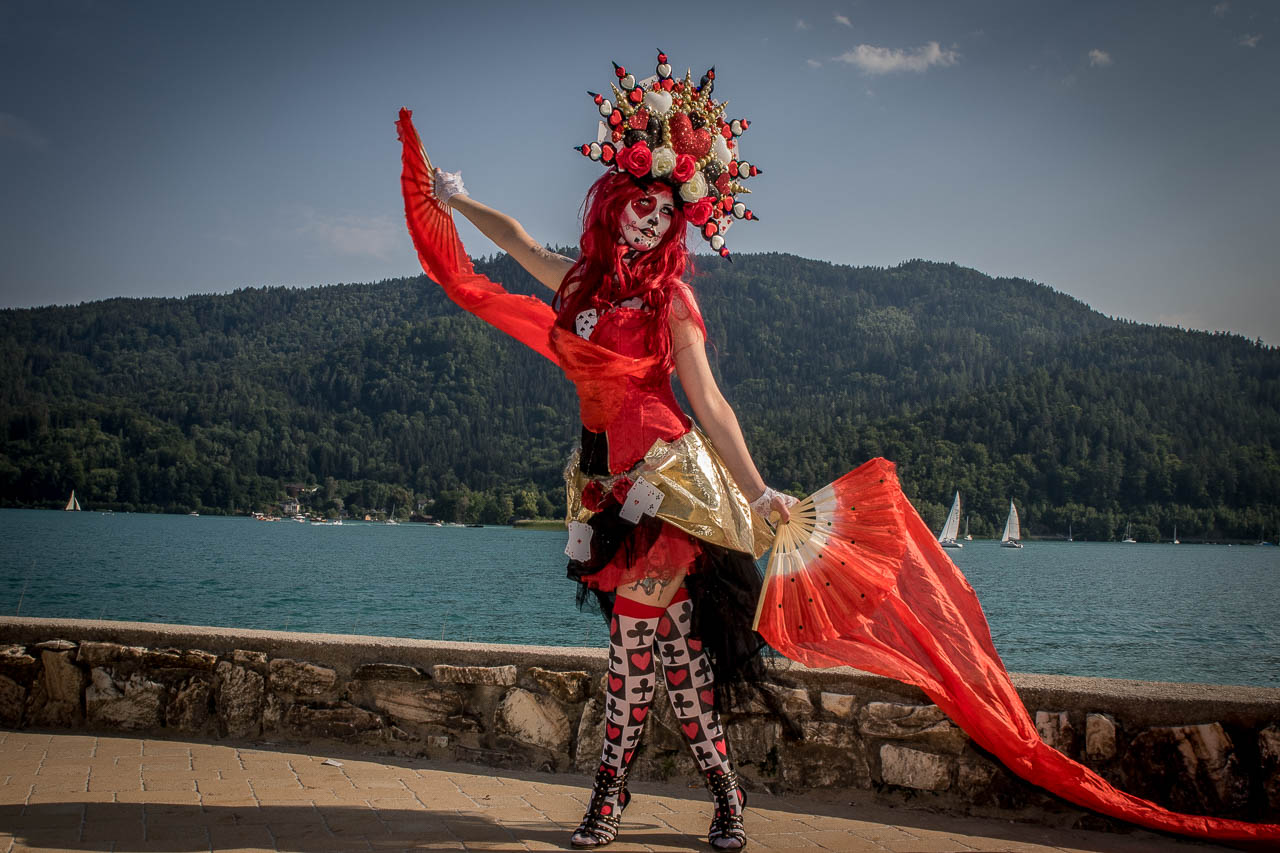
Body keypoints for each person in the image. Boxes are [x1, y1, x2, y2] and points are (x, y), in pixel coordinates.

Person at [417, 55, 793, 850]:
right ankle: (726, 793)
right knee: (680, 661)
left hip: (666, 486)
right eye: (640, 206)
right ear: (617, 204)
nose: (649, 221)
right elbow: (519, 244)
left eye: (664, 213)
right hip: (604, 487)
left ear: (676, 224)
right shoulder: (582, 285)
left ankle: (607, 798)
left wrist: (759, 490)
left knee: (630, 647)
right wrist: (458, 199)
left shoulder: (671, 300)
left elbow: (709, 401)